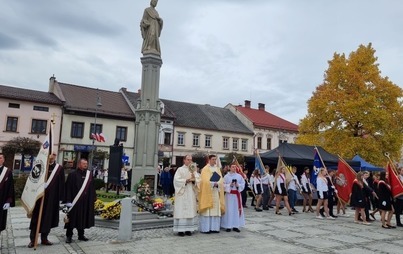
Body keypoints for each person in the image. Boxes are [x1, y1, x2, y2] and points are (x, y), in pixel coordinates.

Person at [28, 153, 65, 248]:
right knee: (36, 219)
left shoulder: (59, 169)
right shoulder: (40, 166)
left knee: (47, 219)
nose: (52, 156)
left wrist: (60, 198)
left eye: (54, 155)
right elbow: (33, 179)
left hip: (52, 199)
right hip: (39, 198)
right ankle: (32, 240)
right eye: (50, 154)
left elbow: (61, 184)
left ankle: (44, 238)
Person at [64, 158, 96, 243]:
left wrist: (93, 199)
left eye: (86, 163)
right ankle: (69, 236)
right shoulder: (72, 174)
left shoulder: (89, 174)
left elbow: (92, 188)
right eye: (84, 163)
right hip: (74, 201)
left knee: (82, 218)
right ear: (79, 164)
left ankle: (81, 235)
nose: (85, 165)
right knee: (71, 219)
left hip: (85, 202)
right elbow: (68, 188)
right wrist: (68, 201)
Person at [173, 155, 200, 236]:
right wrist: (186, 180)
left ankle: (189, 229)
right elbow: (176, 180)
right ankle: (181, 230)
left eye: (191, 160)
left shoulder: (193, 170)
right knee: (181, 210)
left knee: (190, 209)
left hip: (190, 192)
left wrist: (195, 180)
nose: (190, 161)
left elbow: (198, 180)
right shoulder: (180, 169)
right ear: (184, 160)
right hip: (182, 192)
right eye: (188, 160)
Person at [198, 155, 225, 233]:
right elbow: (203, 181)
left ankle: (215, 228)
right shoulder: (205, 169)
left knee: (215, 209)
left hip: (216, 191)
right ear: (209, 160)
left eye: (215, 159)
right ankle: (206, 228)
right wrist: (212, 183)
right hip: (208, 192)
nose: (214, 161)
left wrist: (218, 183)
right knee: (208, 210)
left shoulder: (217, 169)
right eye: (213, 159)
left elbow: (221, 179)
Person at [221, 163, 245, 232]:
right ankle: (228, 226)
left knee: (236, 210)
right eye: (232, 167)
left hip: (237, 195)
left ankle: (236, 225)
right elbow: (223, 185)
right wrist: (230, 185)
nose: (234, 168)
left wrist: (237, 185)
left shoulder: (239, 176)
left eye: (235, 167)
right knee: (229, 210)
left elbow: (243, 184)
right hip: (229, 196)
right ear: (230, 168)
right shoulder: (226, 176)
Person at [0, 153, 15, 233]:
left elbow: (10, 187)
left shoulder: (8, 172)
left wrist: (8, 201)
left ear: (3, 160)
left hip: (2, 200)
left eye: (0, 158)